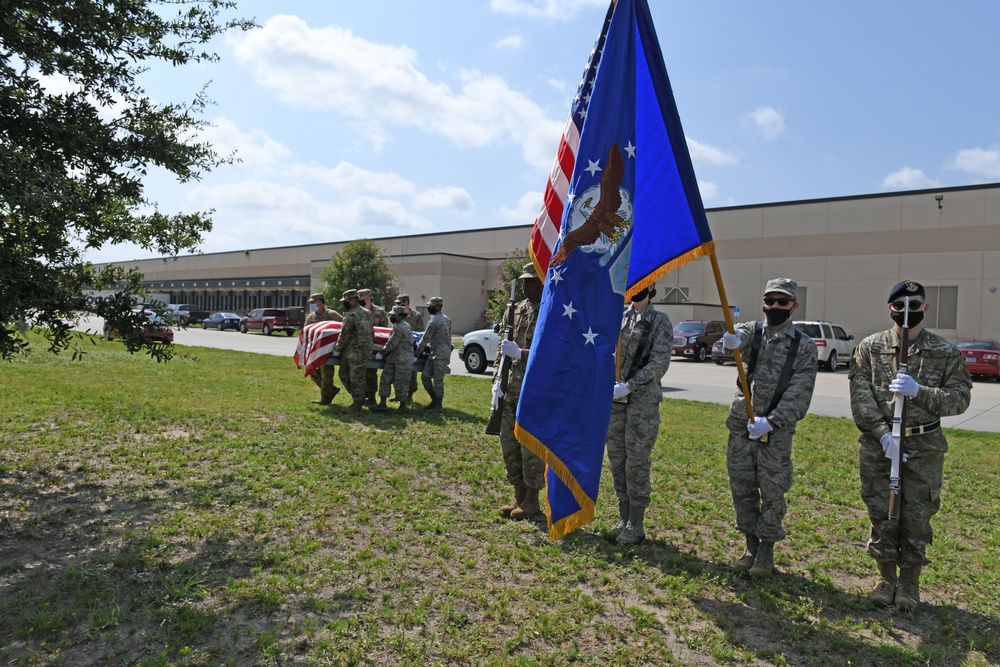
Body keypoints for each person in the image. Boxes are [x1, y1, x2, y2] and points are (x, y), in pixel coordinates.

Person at [848, 280, 971, 610]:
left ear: (925, 309)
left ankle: (910, 583)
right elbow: (861, 399)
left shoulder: (944, 352)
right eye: (899, 306)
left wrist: (921, 392)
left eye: (914, 306)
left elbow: (960, 400)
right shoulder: (870, 348)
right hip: (880, 445)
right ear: (889, 308)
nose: (906, 313)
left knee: (917, 515)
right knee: (882, 512)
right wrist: (882, 434)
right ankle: (885, 577)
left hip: (924, 445)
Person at [719, 278, 817, 576]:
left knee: (773, 491)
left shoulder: (804, 345)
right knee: (743, 487)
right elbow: (739, 336)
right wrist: (731, 338)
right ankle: (750, 545)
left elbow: (801, 392)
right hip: (742, 426)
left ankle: (766, 551)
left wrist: (771, 422)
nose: (774, 307)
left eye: (782, 302)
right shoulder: (753, 331)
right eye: (769, 301)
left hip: (776, 430)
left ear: (794, 306)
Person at [606, 284, 673, 543]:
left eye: (643, 282)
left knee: (636, 462)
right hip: (615, 402)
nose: (636, 287)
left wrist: (630, 385)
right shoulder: (619, 316)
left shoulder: (659, 321)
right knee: (617, 459)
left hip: (641, 405)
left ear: (653, 286)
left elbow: (660, 362)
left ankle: (636, 523)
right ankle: (623, 517)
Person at [493, 262, 545, 520]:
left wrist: (522, 354)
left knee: (530, 447)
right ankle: (518, 495)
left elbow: (552, 353)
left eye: (532, 281)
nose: (526, 286)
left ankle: (532, 501)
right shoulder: (513, 311)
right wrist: (496, 381)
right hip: (509, 387)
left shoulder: (552, 311)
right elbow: (501, 348)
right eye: (524, 281)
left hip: (535, 389)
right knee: (509, 444)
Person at [334, 289, 374, 413]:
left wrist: (337, 348)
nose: (344, 303)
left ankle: (358, 404)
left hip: (354, 352)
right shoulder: (367, 312)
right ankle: (360, 397)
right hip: (364, 350)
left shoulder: (351, 315)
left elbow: (344, 334)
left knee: (355, 378)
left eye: (345, 301)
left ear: (351, 300)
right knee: (351, 376)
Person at [372, 305, 414, 413]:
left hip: (402, 360)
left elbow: (391, 344)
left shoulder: (400, 327)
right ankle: (382, 404)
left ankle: (403, 406)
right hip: (394, 358)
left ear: (400, 316)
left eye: (394, 315)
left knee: (401, 382)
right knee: (385, 379)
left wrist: (381, 352)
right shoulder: (403, 325)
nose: (392, 317)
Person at [304, 292, 343, 405]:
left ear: (320, 303)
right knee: (312, 372)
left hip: (328, 350)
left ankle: (325, 399)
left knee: (326, 373)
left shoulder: (333, 315)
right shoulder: (310, 317)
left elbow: (345, 327)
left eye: (313, 303)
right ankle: (331, 389)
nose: (311, 305)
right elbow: (306, 332)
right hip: (315, 350)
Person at [415, 296, 451, 412]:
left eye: (431, 306)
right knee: (425, 376)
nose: (429, 308)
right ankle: (434, 400)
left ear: (438, 307)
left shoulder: (434, 321)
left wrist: (416, 354)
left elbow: (425, 339)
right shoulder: (447, 319)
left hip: (439, 355)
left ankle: (438, 405)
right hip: (436, 353)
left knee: (438, 380)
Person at [359, 288, 389, 406]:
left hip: (373, 348)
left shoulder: (379, 312)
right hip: (360, 347)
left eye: (361, 298)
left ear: (367, 298)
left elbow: (384, 331)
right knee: (359, 374)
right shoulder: (357, 311)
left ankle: (371, 396)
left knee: (371, 373)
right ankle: (362, 396)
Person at [394, 294, 425, 402]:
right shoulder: (397, 314)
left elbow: (420, 333)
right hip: (398, 349)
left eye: (399, 303)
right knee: (397, 373)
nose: (397, 305)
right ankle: (398, 395)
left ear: (405, 302)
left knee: (411, 374)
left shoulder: (416, 316)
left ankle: (409, 396)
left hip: (410, 349)